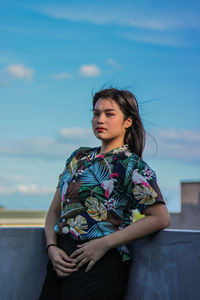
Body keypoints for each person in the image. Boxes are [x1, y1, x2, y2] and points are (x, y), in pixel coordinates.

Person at [39, 88, 170, 300]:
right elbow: (55, 210)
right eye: (96, 113)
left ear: (128, 121)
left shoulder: (131, 165)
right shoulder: (78, 157)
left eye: (109, 114)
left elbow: (160, 217)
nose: (100, 119)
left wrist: (104, 244)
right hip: (61, 261)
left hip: (100, 263)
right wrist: (52, 248)